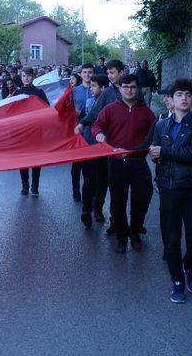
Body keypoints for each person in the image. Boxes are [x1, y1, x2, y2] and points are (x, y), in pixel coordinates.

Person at [149, 79, 192, 303]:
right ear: (171, 100)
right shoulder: (161, 126)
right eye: (179, 95)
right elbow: (155, 154)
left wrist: (163, 152)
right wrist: (156, 155)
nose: (184, 98)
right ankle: (177, 281)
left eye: (188, 94)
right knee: (171, 240)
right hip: (168, 189)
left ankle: (190, 263)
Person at [92, 74, 155, 253]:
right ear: (120, 88)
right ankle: (121, 236)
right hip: (116, 162)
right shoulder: (110, 109)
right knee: (118, 202)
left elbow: (155, 133)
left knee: (142, 198)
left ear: (138, 89)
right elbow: (97, 126)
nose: (129, 90)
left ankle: (134, 231)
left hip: (138, 162)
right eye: (126, 87)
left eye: (133, 87)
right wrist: (99, 134)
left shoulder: (146, 112)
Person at [78, 74, 110, 227]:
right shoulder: (90, 101)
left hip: (103, 146)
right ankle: (86, 209)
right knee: (89, 178)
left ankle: (98, 208)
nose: (91, 89)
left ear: (103, 88)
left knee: (103, 180)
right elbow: (85, 118)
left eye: (94, 86)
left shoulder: (110, 104)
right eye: (90, 86)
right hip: (88, 145)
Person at [15, 67, 49, 196]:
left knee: (36, 159)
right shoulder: (17, 93)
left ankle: (35, 186)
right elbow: (12, 111)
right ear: (21, 77)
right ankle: (25, 185)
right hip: (22, 132)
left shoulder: (39, 92)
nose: (26, 78)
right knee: (23, 159)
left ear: (33, 77)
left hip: (36, 131)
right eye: (24, 76)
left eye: (29, 76)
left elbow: (47, 109)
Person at [71, 64, 94, 202]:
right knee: (77, 162)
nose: (87, 75)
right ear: (80, 74)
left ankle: (89, 190)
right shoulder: (74, 90)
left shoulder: (97, 89)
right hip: (77, 129)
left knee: (90, 163)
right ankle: (75, 188)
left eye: (90, 72)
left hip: (92, 130)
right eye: (84, 72)